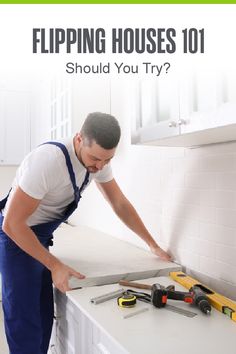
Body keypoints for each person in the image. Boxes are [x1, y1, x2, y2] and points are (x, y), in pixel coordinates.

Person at [0, 112, 171, 354]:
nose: (100, 167)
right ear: (79, 139)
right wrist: (55, 265)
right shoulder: (49, 161)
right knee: (24, 321)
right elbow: (12, 224)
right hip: (17, 238)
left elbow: (119, 204)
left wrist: (152, 244)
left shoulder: (97, 163)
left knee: (42, 313)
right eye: (95, 158)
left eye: (107, 160)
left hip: (40, 236)